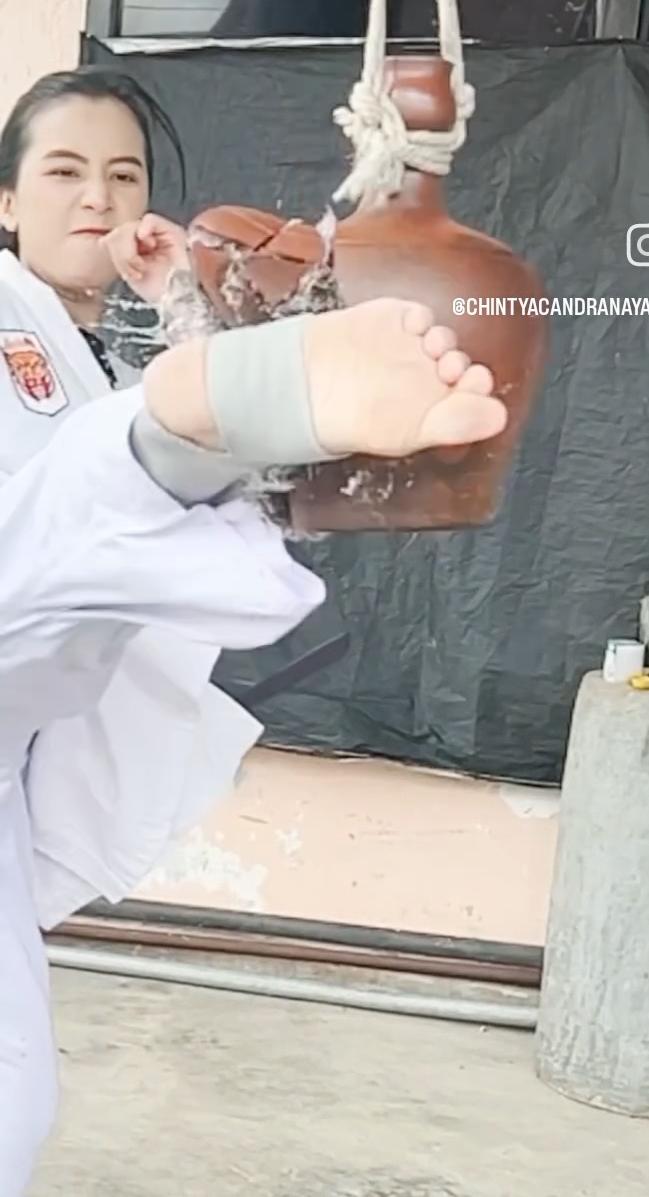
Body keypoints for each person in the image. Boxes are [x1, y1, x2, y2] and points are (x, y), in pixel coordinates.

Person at [0, 65, 508, 1193]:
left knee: (13, 1098)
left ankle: (222, 411)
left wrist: (183, 310)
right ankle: (208, 412)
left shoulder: (94, 347)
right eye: (64, 171)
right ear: (6, 200)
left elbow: (171, 539)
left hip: (24, 745)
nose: (97, 197)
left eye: (123, 175)